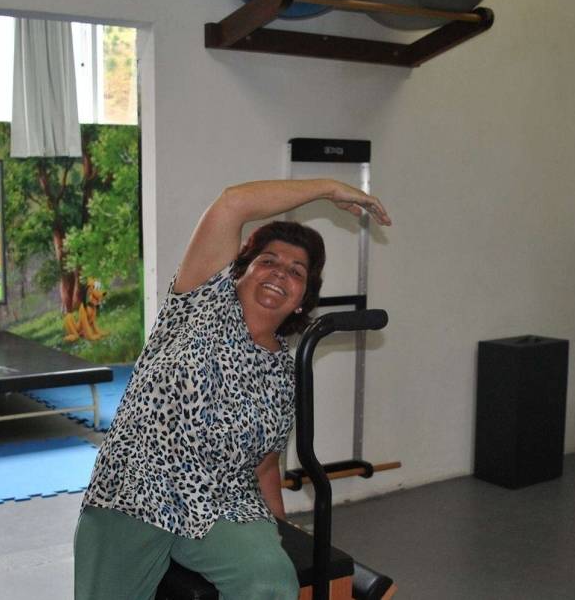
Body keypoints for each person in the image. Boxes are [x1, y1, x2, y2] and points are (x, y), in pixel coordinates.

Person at [73, 179, 390, 600]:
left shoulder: (283, 373)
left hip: (222, 503)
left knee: (270, 583)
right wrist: (328, 189)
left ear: (301, 299)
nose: (280, 273)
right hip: (136, 488)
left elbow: (265, 465)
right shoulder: (200, 303)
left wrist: (280, 531)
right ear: (242, 271)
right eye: (268, 261)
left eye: (296, 272)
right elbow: (233, 203)